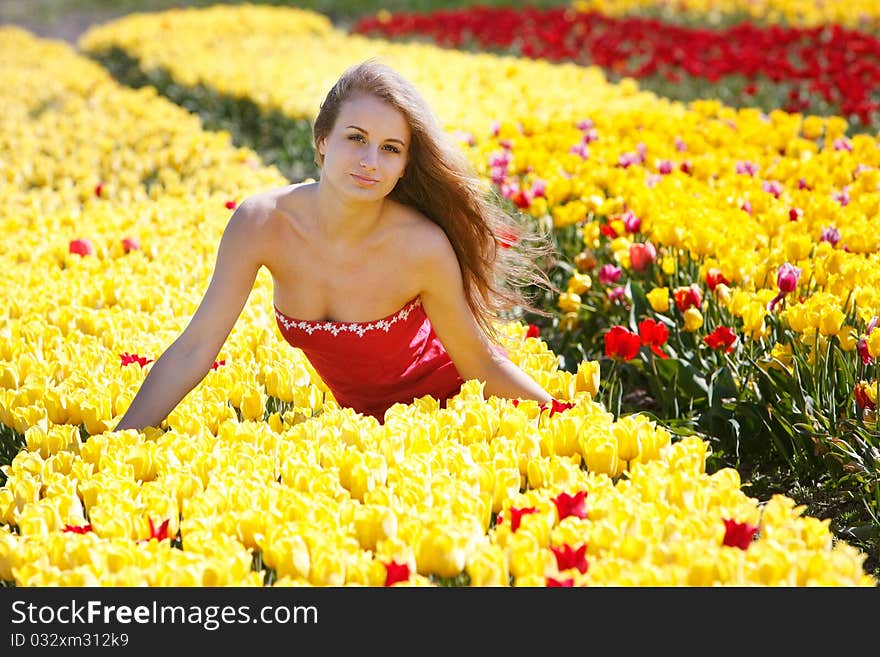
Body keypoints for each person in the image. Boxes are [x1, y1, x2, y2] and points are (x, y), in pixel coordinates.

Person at [114, 58, 556, 430]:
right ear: (323, 140)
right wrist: (117, 444)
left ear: (404, 166)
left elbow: (480, 366)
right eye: (356, 138)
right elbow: (195, 348)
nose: (370, 162)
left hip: (450, 420)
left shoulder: (421, 247)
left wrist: (566, 421)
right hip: (363, 438)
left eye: (390, 148)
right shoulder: (262, 224)